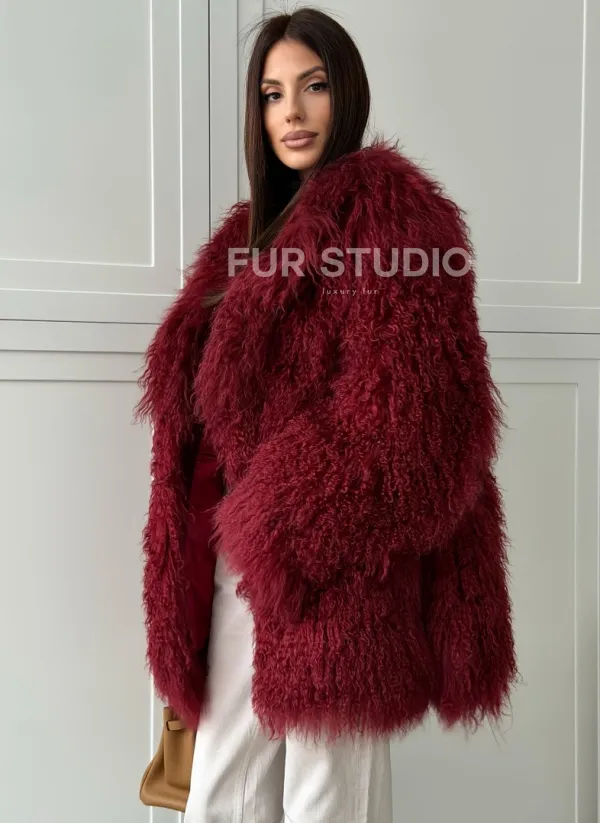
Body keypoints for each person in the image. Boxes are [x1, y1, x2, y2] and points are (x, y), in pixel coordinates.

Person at [135, 7, 519, 822]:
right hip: (235, 561)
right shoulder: (249, 236)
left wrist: (279, 519)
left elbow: (417, 424)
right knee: (221, 795)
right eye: (273, 94)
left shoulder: (394, 218)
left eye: (312, 86)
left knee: (327, 800)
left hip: (339, 564)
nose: (293, 112)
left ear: (346, 92)